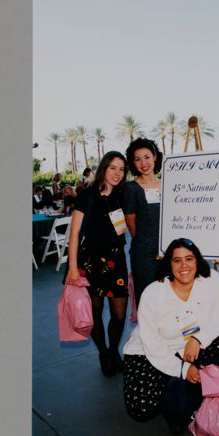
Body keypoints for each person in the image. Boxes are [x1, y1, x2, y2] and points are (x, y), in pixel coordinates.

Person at [123, 238, 219, 427]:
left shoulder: (212, 279)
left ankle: (214, 391)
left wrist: (198, 339)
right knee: (141, 409)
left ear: (197, 261)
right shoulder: (153, 293)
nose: (184, 265)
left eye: (189, 259)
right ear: (169, 264)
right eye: (177, 260)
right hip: (151, 352)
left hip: (190, 346)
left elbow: (218, 316)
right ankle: (180, 384)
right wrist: (183, 369)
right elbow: (151, 343)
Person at [65, 151, 129, 376]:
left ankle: (113, 350)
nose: (117, 173)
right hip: (90, 261)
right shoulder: (87, 195)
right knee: (95, 311)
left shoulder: (123, 194)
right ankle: (104, 353)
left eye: (121, 169)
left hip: (117, 260)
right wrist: (73, 267)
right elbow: (74, 234)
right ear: (104, 167)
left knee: (119, 314)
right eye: (113, 167)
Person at [123, 138, 163, 305]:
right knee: (148, 302)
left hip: (169, 253)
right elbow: (131, 224)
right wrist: (146, 243)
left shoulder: (168, 184)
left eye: (147, 157)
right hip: (144, 255)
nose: (143, 163)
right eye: (137, 159)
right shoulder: (131, 188)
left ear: (154, 156)